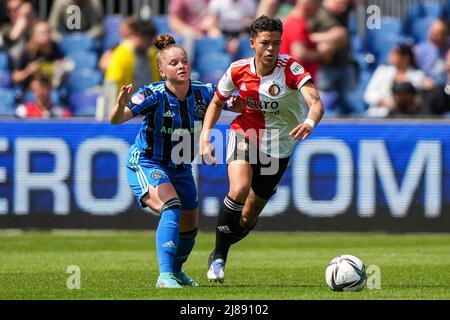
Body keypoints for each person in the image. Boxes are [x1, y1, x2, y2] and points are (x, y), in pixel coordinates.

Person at [109, 34, 242, 288]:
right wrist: (120, 105)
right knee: (172, 205)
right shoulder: (152, 94)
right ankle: (164, 275)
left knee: (190, 227)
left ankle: (177, 272)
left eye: (184, 61)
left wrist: (256, 101)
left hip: (180, 168)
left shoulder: (204, 92)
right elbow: (116, 119)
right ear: (161, 70)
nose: (181, 66)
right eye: (173, 63)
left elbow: (233, 103)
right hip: (147, 162)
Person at [200, 15, 324, 283]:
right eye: (266, 43)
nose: (271, 49)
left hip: (279, 147)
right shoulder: (237, 70)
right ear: (252, 42)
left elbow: (315, 103)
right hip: (245, 134)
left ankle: (221, 247)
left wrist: (309, 122)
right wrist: (205, 137)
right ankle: (219, 260)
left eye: (277, 44)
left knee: (249, 214)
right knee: (239, 189)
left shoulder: (290, 69)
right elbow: (216, 102)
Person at [102, 20, 160, 119]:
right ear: (137, 36)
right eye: (148, 39)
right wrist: (114, 113)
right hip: (126, 110)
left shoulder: (153, 54)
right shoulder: (121, 54)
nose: (150, 43)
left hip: (147, 109)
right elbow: (112, 84)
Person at [364, 43, 430, 117]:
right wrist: (383, 102)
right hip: (379, 115)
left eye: (395, 53)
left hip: (406, 117)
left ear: (406, 57)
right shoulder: (382, 71)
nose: (391, 55)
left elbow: (418, 100)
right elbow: (368, 95)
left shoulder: (418, 76)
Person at [280, 0, 325, 81]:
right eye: (318, 4)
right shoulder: (296, 24)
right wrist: (323, 53)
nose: (319, 9)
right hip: (298, 82)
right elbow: (300, 54)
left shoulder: (294, 21)